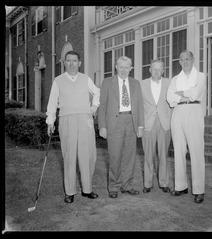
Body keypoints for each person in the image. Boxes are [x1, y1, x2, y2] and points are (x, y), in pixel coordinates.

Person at [46, 50, 100, 203]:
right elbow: (52, 103)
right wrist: (50, 121)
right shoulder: (58, 81)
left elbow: (97, 93)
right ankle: (69, 192)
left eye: (74, 61)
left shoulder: (85, 79)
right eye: (68, 61)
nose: (71, 64)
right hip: (66, 119)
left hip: (85, 119)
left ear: (80, 63)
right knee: (69, 156)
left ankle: (87, 189)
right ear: (64, 63)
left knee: (88, 155)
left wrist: (94, 108)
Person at [98, 56, 144, 199]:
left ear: (131, 68)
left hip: (131, 121)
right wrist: (102, 126)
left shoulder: (136, 84)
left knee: (130, 156)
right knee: (115, 156)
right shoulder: (107, 83)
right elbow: (102, 106)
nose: (124, 70)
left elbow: (140, 106)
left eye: (127, 67)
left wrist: (140, 125)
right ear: (116, 67)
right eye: (121, 67)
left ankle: (127, 185)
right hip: (114, 123)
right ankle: (114, 186)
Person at [167, 50, 206, 203]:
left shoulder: (201, 76)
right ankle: (180, 186)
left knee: (196, 151)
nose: (185, 62)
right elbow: (170, 98)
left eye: (187, 59)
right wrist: (186, 94)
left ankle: (199, 190)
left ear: (193, 59)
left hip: (194, 111)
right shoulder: (175, 79)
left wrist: (180, 94)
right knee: (179, 150)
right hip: (178, 113)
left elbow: (195, 94)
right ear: (179, 61)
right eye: (182, 59)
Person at [139, 60, 172, 193]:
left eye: (159, 69)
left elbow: (173, 103)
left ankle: (163, 182)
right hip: (148, 123)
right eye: (154, 69)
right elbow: (139, 106)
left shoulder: (169, 83)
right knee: (148, 154)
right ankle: (147, 183)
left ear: (163, 71)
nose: (157, 71)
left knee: (163, 155)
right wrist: (140, 125)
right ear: (150, 69)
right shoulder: (142, 84)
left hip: (164, 123)